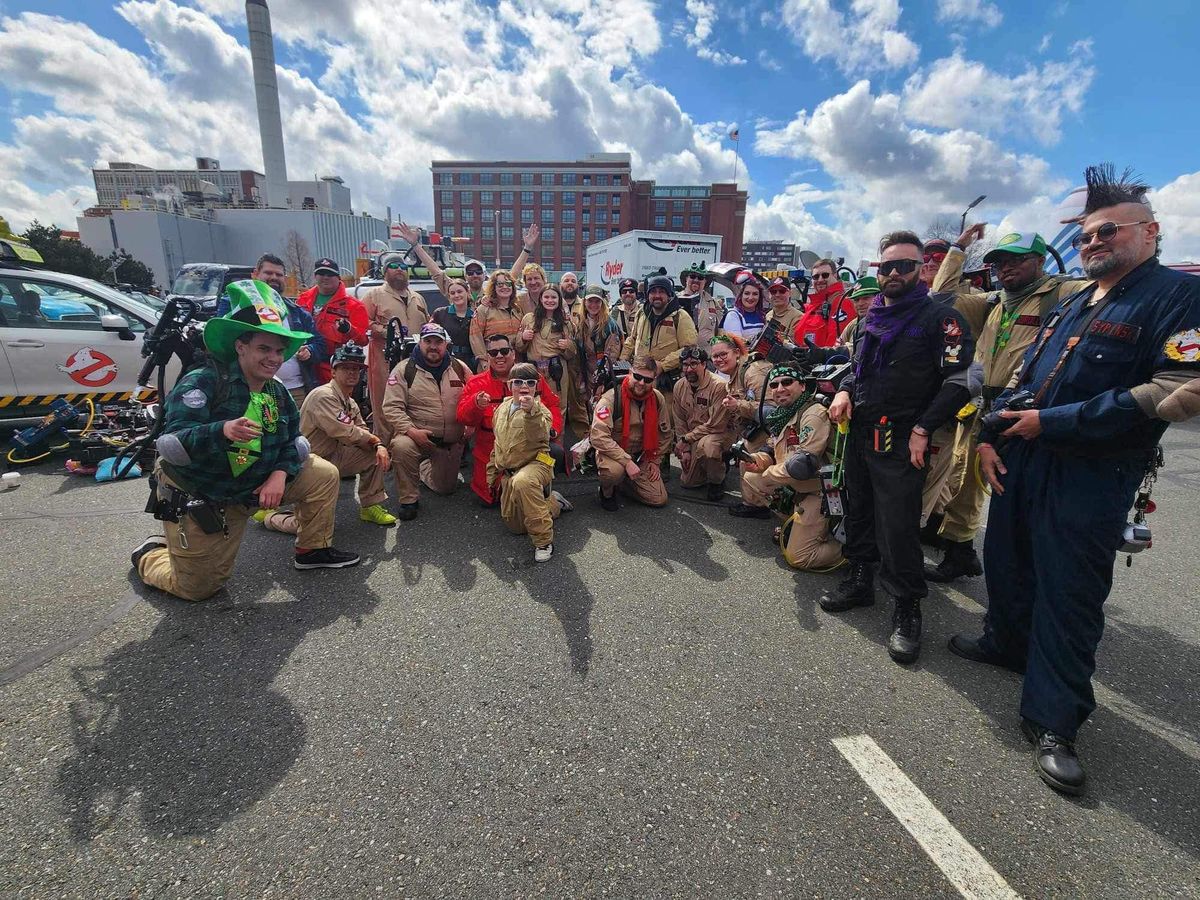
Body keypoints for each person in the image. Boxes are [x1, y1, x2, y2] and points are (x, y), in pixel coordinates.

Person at [954, 166, 1200, 796]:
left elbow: (1179, 393)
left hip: (1091, 472)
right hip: (1022, 454)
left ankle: (1055, 720)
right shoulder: (1074, 301)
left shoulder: (1177, 297)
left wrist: (1053, 422)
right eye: (1087, 235)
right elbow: (1025, 375)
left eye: (1107, 232)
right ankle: (1005, 643)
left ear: (1149, 231)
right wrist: (990, 435)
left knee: (1069, 595)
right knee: (1006, 563)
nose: (1093, 243)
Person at [130, 280, 359, 601]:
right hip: (209, 494)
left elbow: (294, 442)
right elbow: (172, 445)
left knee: (322, 474)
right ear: (241, 346)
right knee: (198, 589)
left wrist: (279, 476)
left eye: (279, 350)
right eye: (264, 349)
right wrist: (220, 431)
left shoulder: (276, 390)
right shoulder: (204, 381)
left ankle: (312, 550)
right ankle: (152, 552)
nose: (274, 358)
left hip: (256, 485)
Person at [823, 231, 974, 666]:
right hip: (861, 428)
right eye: (886, 266)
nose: (893, 274)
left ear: (922, 268)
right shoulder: (872, 318)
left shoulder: (939, 318)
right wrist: (845, 390)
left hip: (905, 437)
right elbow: (859, 368)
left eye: (904, 266)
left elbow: (960, 381)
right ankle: (859, 579)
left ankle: (907, 607)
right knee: (859, 509)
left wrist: (925, 428)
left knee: (899, 525)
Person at [924, 226, 1090, 582]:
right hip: (982, 404)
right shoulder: (993, 301)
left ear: (1040, 260)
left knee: (1011, 488)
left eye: (1017, 259)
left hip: (1027, 407)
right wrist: (958, 248)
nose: (1006, 267)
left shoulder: (1063, 293)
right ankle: (960, 551)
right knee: (965, 477)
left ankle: (1019, 570)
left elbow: (1104, 292)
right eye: (1000, 261)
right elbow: (941, 296)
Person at [730, 363, 843, 571]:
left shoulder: (812, 413)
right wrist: (757, 459)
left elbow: (803, 465)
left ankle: (858, 547)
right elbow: (772, 450)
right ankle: (795, 522)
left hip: (821, 492)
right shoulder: (783, 414)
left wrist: (768, 474)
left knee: (799, 558)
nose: (780, 388)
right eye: (774, 384)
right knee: (751, 476)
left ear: (802, 385)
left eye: (787, 382)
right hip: (798, 487)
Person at [299, 342, 397, 527]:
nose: (352, 372)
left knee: (373, 454)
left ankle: (369, 506)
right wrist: (377, 442)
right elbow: (347, 432)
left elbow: (362, 431)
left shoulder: (349, 401)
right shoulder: (323, 395)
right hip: (310, 462)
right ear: (333, 372)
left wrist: (378, 447)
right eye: (345, 368)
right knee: (306, 525)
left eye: (356, 369)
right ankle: (272, 517)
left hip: (333, 456)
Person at [457, 334, 563, 505]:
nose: (499, 356)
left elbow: (553, 405)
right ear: (487, 357)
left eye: (504, 351)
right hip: (493, 454)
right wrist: (475, 404)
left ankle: (548, 494)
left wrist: (552, 430)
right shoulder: (476, 384)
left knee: (555, 454)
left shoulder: (533, 378)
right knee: (494, 501)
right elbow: (462, 417)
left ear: (513, 354)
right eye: (493, 352)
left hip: (531, 452)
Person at [381, 323, 472, 520]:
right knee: (401, 446)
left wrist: (470, 427)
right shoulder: (404, 370)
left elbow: (474, 397)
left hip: (450, 442)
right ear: (419, 342)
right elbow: (391, 407)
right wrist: (411, 431)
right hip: (417, 437)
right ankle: (409, 499)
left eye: (438, 342)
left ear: (446, 344)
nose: (433, 346)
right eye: (428, 341)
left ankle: (424, 467)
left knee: (446, 489)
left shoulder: (459, 367)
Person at [487, 362, 573, 563]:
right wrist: (492, 473)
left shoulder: (541, 411)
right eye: (518, 381)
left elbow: (540, 434)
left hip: (538, 462)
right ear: (510, 385)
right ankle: (552, 502)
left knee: (523, 482)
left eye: (530, 382)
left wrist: (531, 412)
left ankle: (544, 541)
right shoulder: (501, 409)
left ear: (536, 386)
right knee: (516, 527)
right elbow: (498, 442)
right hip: (511, 469)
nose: (523, 386)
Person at [215, 253, 325, 406]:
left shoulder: (298, 312)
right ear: (255, 274)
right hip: (248, 389)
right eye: (268, 273)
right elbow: (222, 341)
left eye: (279, 274)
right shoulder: (235, 304)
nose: (274, 277)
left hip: (295, 390)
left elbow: (320, 344)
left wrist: (310, 350)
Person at [591, 355, 673, 510]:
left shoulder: (657, 398)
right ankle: (607, 491)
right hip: (614, 453)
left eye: (648, 380)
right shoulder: (611, 399)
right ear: (630, 372)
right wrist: (626, 462)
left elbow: (665, 433)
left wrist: (655, 461)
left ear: (654, 380)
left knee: (658, 499)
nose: (642, 383)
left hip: (642, 456)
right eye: (637, 377)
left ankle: (625, 481)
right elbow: (598, 437)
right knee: (614, 472)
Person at [361, 253, 429, 434]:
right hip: (384, 360)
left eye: (403, 267)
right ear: (385, 271)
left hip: (415, 360)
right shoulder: (373, 295)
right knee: (385, 404)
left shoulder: (418, 298)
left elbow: (427, 324)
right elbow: (361, 322)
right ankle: (385, 448)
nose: (399, 269)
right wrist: (387, 332)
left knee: (414, 403)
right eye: (393, 266)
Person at [671, 345, 731, 501]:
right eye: (685, 365)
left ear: (704, 364)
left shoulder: (718, 386)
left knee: (708, 448)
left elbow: (715, 425)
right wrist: (685, 449)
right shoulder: (679, 386)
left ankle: (717, 479)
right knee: (688, 483)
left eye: (694, 364)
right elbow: (679, 420)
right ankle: (708, 466)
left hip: (716, 433)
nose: (689, 369)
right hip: (693, 436)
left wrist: (686, 440)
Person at [619, 273, 698, 391]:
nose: (657, 295)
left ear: (669, 295)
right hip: (639, 380)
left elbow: (689, 348)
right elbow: (632, 339)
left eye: (661, 291)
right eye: (653, 292)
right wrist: (622, 362)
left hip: (666, 382)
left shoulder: (680, 317)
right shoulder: (642, 313)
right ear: (647, 294)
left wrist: (663, 365)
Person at [296, 257, 368, 384]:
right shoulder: (302, 300)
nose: (325, 277)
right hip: (304, 366)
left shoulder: (355, 306)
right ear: (315, 276)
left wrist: (349, 330)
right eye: (321, 273)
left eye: (330, 274)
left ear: (338, 277)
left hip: (334, 368)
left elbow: (363, 340)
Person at [515, 283, 576, 419]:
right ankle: (536, 438)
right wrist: (523, 338)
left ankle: (556, 437)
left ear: (559, 300)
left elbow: (572, 353)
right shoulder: (529, 319)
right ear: (541, 299)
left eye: (553, 297)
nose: (550, 300)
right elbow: (519, 347)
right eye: (546, 297)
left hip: (556, 370)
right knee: (532, 404)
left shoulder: (566, 323)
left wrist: (568, 346)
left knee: (558, 405)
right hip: (534, 370)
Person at [569, 285, 623, 439]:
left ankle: (604, 442)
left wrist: (601, 379)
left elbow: (611, 355)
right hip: (585, 372)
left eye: (597, 302)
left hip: (603, 374)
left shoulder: (610, 325)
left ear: (603, 304)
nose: (593, 305)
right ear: (584, 302)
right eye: (590, 301)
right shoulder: (580, 323)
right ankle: (590, 442)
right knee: (587, 409)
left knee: (603, 409)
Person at [711, 333, 772, 444]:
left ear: (737, 353)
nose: (719, 360)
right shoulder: (733, 376)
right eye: (715, 356)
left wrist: (738, 405)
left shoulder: (752, 372)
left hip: (768, 434)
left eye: (723, 354)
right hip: (749, 432)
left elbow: (771, 412)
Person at [793, 258, 856, 348]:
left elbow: (835, 342)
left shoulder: (844, 303)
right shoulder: (813, 306)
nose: (820, 279)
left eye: (825, 275)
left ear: (835, 276)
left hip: (826, 361)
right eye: (816, 277)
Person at [469, 270, 524, 369]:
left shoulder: (518, 310)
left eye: (508, 284)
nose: (505, 287)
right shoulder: (484, 309)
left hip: (516, 366)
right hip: (492, 365)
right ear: (493, 287)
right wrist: (484, 362)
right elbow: (475, 337)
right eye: (500, 284)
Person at [431, 278, 477, 370]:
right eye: (452, 293)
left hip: (471, 363)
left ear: (467, 292)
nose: (456, 295)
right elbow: (430, 335)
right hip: (445, 361)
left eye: (459, 292)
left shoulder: (476, 315)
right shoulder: (440, 314)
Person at [678, 262, 723, 347]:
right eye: (692, 276)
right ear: (686, 279)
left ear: (705, 281)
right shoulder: (675, 300)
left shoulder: (713, 303)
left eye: (700, 278)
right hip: (681, 355)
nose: (696, 280)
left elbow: (720, 331)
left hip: (706, 356)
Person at [719, 273, 769, 346]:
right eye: (747, 293)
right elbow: (736, 344)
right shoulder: (733, 315)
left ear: (759, 297)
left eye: (755, 294)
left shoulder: (762, 316)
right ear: (741, 295)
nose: (750, 297)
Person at [836, 277, 880, 355]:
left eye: (866, 298)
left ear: (879, 297)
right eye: (856, 300)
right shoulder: (853, 324)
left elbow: (859, 350)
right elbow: (838, 345)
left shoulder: (885, 323)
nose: (860, 304)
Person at [764, 276, 802, 342]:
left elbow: (796, 346)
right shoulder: (768, 315)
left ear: (790, 293)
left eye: (782, 291)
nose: (777, 295)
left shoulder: (799, 318)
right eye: (773, 291)